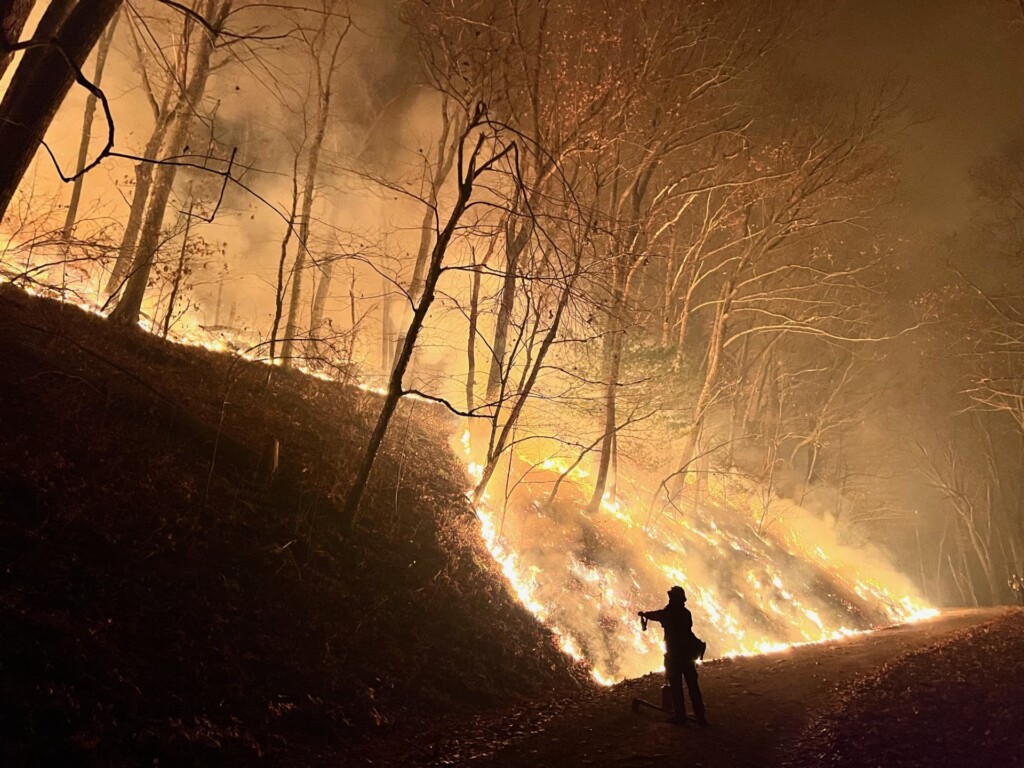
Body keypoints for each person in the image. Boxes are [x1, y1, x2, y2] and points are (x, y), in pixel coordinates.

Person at [639, 585, 707, 726]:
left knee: (676, 686)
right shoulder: (686, 613)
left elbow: (657, 615)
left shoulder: (668, 613)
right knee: (693, 686)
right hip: (688, 655)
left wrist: (645, 615)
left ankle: (680, 716)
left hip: (675, 656)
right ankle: (701, 717)